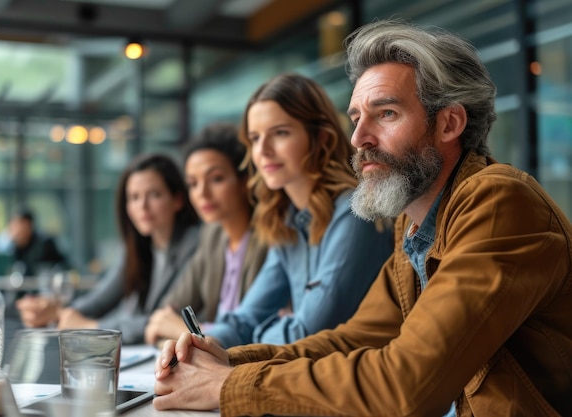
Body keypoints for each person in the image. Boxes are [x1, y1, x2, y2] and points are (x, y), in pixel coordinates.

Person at [152, 20, 572, 417]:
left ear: (449, 123)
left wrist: (228, 385)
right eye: (356, 118)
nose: (358, 139)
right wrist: (226, 360)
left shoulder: (497, 201)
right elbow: (352, 341)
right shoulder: (415, 228)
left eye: (385, 114)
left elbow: (407, 385)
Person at [179, 73, 393, 350]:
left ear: (321, 139)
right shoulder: (287, 222)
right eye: (255, 138)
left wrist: (251, 335)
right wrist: (206, 342)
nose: (263, 150)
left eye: (280, 133)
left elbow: (309, 331)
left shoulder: (356, 213)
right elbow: (245, 319)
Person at [16, 153, 201, 344]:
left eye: (154, 195)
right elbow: (100, 299)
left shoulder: (195, 245)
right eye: (134, 197)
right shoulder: (137, 249)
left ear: (178, 199)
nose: (142, 206)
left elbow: (163, 320)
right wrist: (56, 312)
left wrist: (92, 328)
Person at [144, 123, 268, 345]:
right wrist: (185, 334)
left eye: (216, 179)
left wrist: (184, 331)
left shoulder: (270, 238)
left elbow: (255, 334)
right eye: (193, 183)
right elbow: (162, 317)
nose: (202, 193)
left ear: (244, 181)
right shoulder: (212, 236)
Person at [0, 208, 69, 277]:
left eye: (17, 225)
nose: (14, 230)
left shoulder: (45, 244)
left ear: (28, 225)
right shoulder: (14, 249)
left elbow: (63, 267)